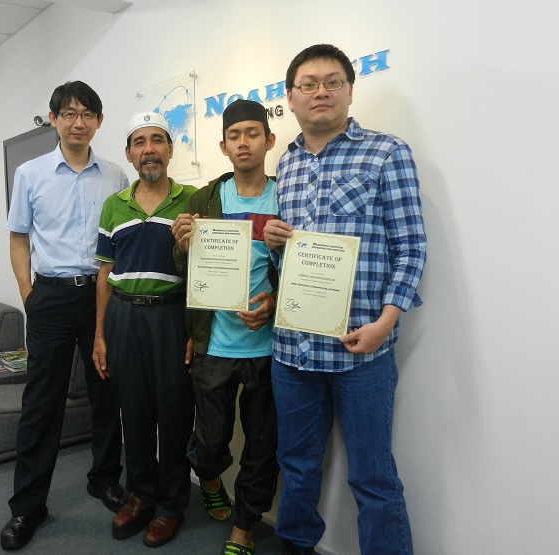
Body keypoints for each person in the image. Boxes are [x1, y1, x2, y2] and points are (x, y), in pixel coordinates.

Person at [263, 44, 427, 555]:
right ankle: (295, 545)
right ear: (290, 97)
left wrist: (385, 323)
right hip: (292, 350)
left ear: (349, 91)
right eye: (308, 84)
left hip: (361, 350)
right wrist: (274, 244)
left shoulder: (386, 153)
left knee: (373, 477)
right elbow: (292, 260)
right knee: (296, 466)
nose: (321, 92)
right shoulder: (286, 164)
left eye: (332, 82)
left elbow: (411, 247)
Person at [1, 81, 129, 550]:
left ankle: (104, 479)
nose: (78, 123)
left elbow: (121, 240)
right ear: (54, 119)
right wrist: (27, 293)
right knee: (41, 404)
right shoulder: (30, 174)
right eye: (69, 114)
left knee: (106, 393)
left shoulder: (116, 176)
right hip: (50, 298)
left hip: (102, 296)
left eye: (87, 114)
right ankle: (28, 506)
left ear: (99, 121)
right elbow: (19, 236)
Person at [171, 99, 279, 555]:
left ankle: (244, 528)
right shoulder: (205, 199)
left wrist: (273, 304)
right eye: (234, 136)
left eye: (252, 133)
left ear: (269, 141)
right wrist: (181, 246)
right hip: (214, 344)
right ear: (223, 146)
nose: (243, 142)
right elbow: (186, 270)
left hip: (269, 348)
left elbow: (302, 268)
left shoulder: (286, 195)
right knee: (210, 440)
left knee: (263, 445)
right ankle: (211, 478)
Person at [92, 112, 197, 548]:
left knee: (174, 414)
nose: (149, 149)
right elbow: (104, 273)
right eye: (140, 142)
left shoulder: (194, 200)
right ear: (129, 153)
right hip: (123, 317)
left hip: (171, 317)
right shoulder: (114, 205)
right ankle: (141, 495)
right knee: (132, 412)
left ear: (170, 149)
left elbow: (207, 270)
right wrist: (100, 334)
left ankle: (170, 504)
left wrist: (195, 330)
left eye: (157, 140)